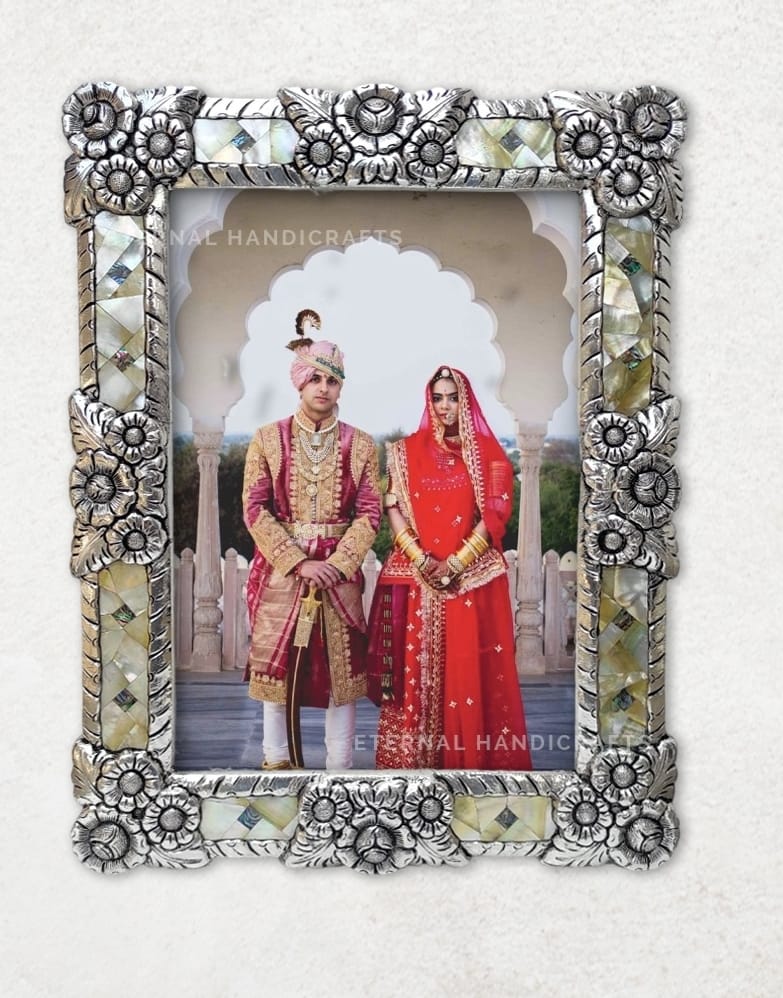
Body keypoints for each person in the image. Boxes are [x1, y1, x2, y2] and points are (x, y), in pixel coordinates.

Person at [367, 366, 532, 770]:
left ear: (466, 400)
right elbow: (393, 507)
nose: (445, 406)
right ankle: (412, 770)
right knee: (414, 677)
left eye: (453, 397)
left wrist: (455, 563)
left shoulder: (490, 457)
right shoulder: (406, 452)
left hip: (469, 579)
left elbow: (493, 516)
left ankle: (469, 769)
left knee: (467, 676)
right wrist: (422, 559)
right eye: (438, 397)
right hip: (417, 579)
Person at [242, 309, 381, 770]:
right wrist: (300, 562)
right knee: (276, 673)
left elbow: (369, 513)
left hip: (339, 576)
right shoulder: (267, 439)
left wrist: (337, 565)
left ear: (341, 388)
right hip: (282, 574)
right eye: (316, 379)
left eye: (333, 381)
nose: (324, 388)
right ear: (299, 383)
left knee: (343, 674)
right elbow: (254, 509)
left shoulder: (361, 444)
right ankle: (276, 764)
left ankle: (340, 773)